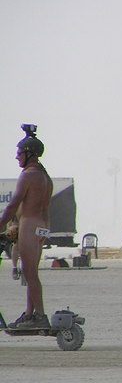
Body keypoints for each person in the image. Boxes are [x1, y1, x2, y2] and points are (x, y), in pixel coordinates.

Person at [0, 126, 54, 329]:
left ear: (29, 154)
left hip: (29, 225)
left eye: (19, 153)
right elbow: (46, 208)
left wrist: (1, 224)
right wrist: (45, 231)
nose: (16, 157)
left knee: (30, 273)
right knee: (30, 272)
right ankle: (30, 313)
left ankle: (39, 315)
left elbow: (13, 204)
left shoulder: (28, 175)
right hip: (41, 225)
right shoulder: (45, 177)